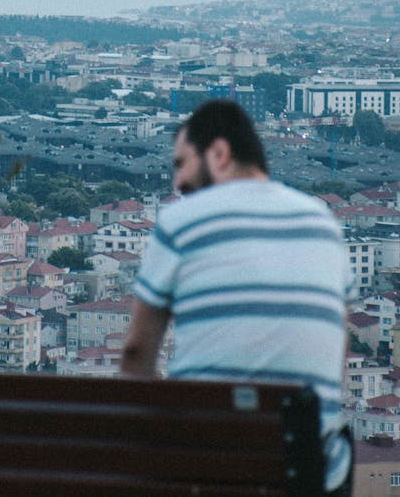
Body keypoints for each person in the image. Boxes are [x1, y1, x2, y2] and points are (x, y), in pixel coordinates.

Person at [121, 100, 353, 496]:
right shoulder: (324, 226)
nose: (177, 183)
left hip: (205, 471)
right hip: (305, 474)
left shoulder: (181, 222)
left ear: (219, 154)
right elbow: (336, 355)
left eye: (181, 164)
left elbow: (136, 355)